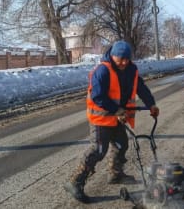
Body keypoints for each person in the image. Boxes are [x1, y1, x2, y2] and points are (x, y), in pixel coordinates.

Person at [64, 40, 159, 203]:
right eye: (119, 59)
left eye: (126, 59)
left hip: (118, 117)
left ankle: (115, 173)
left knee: (122, 144)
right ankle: (75, 181)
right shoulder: (102, 70)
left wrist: (151, 104)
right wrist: (116, 110)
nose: (122, 62)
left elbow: (141, 88)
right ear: (112, 56)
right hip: (101, 117)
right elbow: (97, 96)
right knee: (98, 149)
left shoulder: (131, 70)